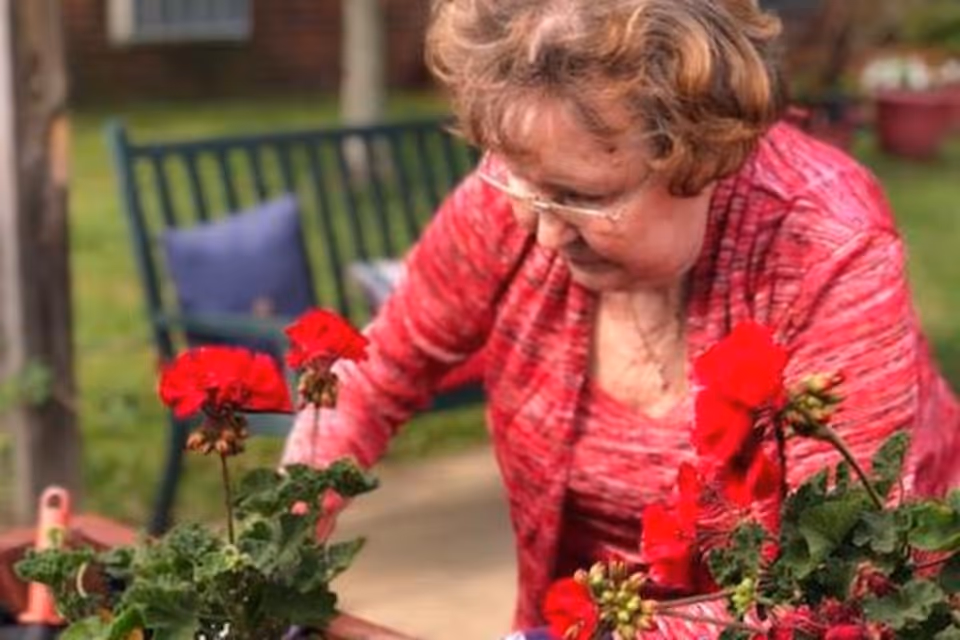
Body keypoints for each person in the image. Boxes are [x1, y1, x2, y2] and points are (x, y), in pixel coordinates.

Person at [282, 0, 960, 636]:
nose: (542, 233)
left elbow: (836, 585)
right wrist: (286, 535)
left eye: (583, 197)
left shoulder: (826, 248)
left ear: (703, 152)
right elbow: (379, 370)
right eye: (517, 176)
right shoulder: (516, 197)